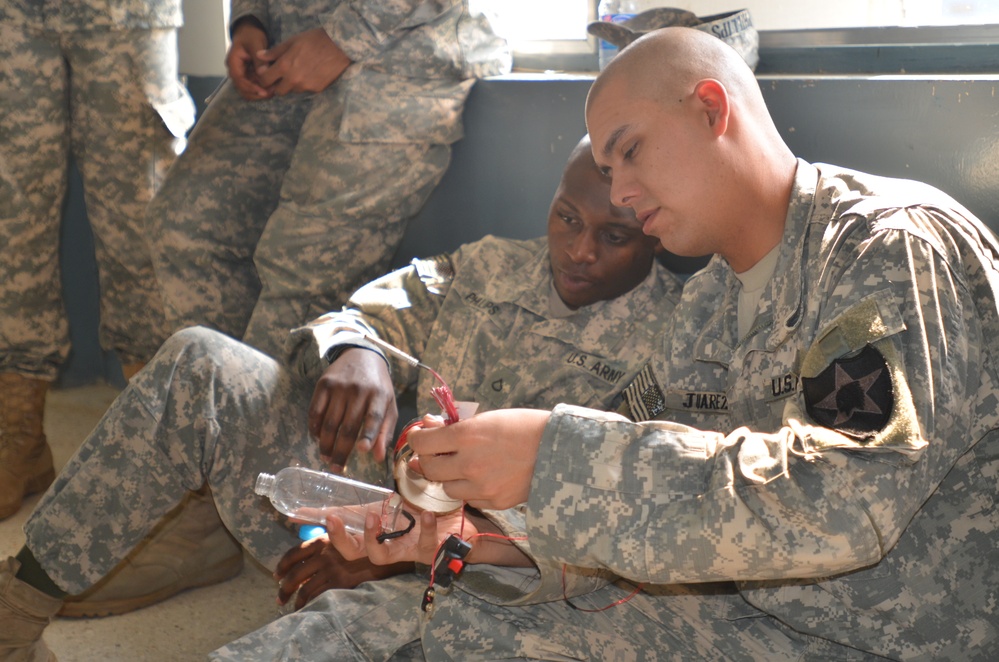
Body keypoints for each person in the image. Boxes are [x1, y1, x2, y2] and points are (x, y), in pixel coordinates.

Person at [324, 27, 999, 660]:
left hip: (890, 642)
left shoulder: (887, 246)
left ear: (710, 109)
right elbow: (656, 500)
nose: (619, 188)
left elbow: (845, 497)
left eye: (631, 150)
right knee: (441, 625)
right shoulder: (705, 302)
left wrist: (551, 452)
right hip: (751, 618)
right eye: (607, 167)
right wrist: (471, 539)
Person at [0, 136, 683, 661]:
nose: (579, 249)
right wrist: (357, 350)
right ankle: (17, 612)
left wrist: (405, 551)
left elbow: (610, 537)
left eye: (613, 236)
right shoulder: (491, 267)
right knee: (200, 359)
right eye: (565, 218)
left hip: (471, 580)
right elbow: (366, 310)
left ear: (654, 231)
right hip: (339, 519)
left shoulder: (675, 346)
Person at [146, 0, 511, 361]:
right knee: (186, 230)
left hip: (401, 48)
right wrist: (250, 16)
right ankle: (215, 404)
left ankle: (261, 416)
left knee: (303, 271)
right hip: (281, 50)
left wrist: (345, 34)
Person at [0, 1, 194, 521]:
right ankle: (16, 434)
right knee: (9, 223)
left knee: (141, 226)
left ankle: (163, 451)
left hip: (123, 12)